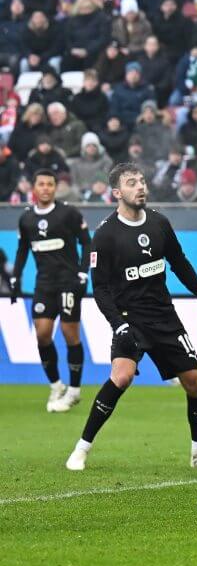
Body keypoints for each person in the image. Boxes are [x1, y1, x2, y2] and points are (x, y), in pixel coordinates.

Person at [65, 163, 197, 472]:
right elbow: (101, 288)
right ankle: (81, 449)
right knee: (121, 377)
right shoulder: (106, 234)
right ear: (117, 192)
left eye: (142, 181)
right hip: (129, 318)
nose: (140, 187)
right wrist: (118, 324)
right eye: (131, 183)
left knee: (195, 383)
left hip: (164, 317)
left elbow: (179, 262)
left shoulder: (159, 223)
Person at [10, 170, 91, 412]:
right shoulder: (26, 218)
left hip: (68, 282)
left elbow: (87, 242)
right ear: (33, 188)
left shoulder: (68, 213)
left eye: (49, 184)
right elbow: (22, 249)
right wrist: (15, 277)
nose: (45, 188)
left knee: (70, 334)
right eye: (41, 184)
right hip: (44, 284)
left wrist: (83, 272)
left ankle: (74, 390)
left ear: (55, 188)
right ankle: (56, 385)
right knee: (43, 334)